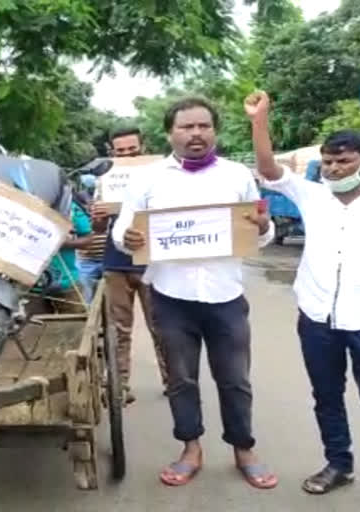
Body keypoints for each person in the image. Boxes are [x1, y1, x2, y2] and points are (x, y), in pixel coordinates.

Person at [246, 91, 360, 512]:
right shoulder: (311, 196)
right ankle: (338, 464)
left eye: (344, 161)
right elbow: (267, 168)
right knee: (326, 396)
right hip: (316, 318)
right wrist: (260, 121)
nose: (334, 169)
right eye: (329, 163)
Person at [113, 99, 278, 489]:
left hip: (226, 295)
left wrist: (265, 226)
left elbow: (259, 234)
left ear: (214, 131)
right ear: (170, 133)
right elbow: (122, 232)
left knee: (235, 379)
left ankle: (243, 449)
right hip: (171, 296)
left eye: (204, 126)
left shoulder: (238, 176)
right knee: (182, 380)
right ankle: (191, 448)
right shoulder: (148, 179)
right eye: (187, 127)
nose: (196, 133)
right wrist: (129, 237)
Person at [91, 127, 168, 404]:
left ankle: (174, 382)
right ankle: (119, 386)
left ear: (143, 147)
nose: (126, 154)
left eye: (131, 149)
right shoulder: (105, 180)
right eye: (120, 151)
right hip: (115, 263)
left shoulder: (161, 177)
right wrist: (98, 216)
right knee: (117, 329)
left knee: (161, 326)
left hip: (152, 262)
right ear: (112, 152)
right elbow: (99, 228)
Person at [74, 173, 106, 303]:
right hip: (86, 260)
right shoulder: (77, 206)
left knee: (109, 297)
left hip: (107, 258)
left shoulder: (108, 201)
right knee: (87, 299)